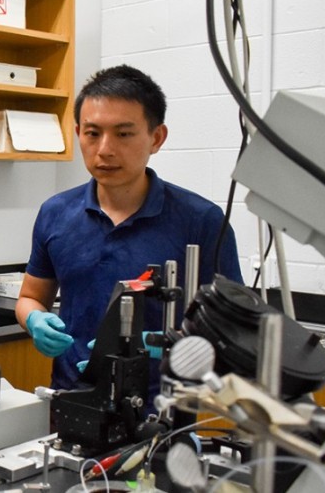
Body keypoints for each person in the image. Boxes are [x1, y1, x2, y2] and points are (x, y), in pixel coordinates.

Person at [15, 64, 243, 399]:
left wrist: (157, 347)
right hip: (70, 399)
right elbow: (31, 297)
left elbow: (232, 331)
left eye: (123, 134)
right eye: (92, 133)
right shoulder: (56, 213)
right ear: (78, 132)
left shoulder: (202, 221)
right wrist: (35, 320)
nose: (104, 149)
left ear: (157, 137)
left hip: (163, 408)